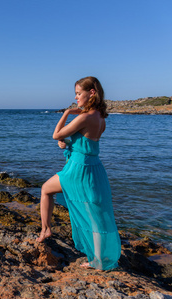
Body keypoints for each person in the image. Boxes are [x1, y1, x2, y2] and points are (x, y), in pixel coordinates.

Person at [36, 76, 121, 270]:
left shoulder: (84, 117)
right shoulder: (100, 118)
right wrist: (68, 143)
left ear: (91, 93)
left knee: (45, 190)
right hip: (95, 169)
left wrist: (66, 113)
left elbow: (56, 134)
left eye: (78, 93)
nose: (76, 98)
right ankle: (99, 260)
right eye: (75, 94)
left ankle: (46, 230)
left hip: (79, 170)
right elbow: (86, 143)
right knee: (96, 216)